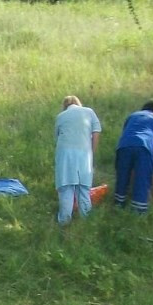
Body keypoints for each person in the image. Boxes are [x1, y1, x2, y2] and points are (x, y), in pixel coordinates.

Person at [54, 95, 102, 224]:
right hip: (84, 155)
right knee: (84, 189)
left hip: (65, 156)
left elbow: (57, 138)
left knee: (66, 189)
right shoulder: (89, 112)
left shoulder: (61, 116)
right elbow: (96, 132)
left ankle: (64, 222)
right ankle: (85, 222)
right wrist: (92, 152)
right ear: (79, 103)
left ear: (65, 106)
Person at [114, 101, 153, 214]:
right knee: (142, 179)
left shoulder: (132, 115)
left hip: (124, 146)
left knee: (122, 176)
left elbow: (126, 132)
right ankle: (138, 212)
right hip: (144, 148)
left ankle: (118, 206)